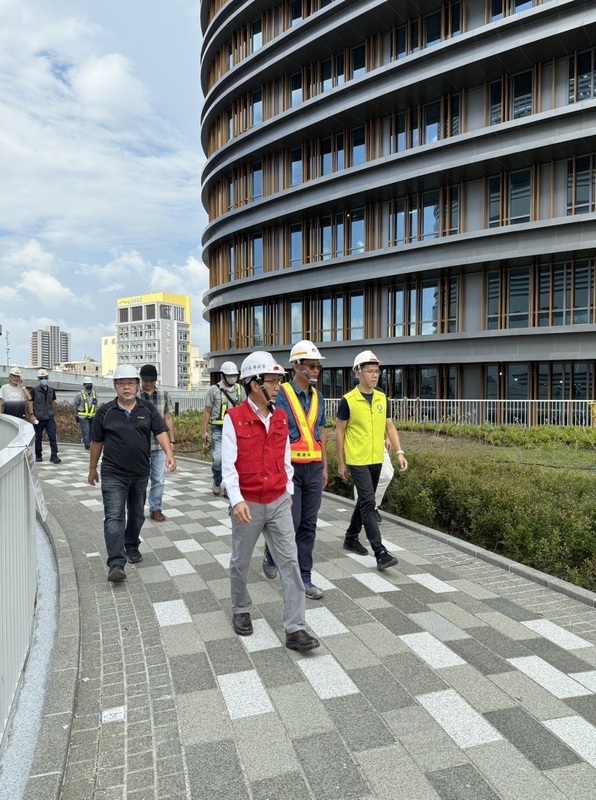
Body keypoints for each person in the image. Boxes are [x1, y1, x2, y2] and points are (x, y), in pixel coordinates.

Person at [222, 351, 320, 652]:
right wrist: (236, 500)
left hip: (278, 499)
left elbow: (286, 457)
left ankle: (295, 629)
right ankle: (240, 609)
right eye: (272, 381)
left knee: (289, 562)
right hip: (248, 503)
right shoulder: (234, 419)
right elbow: (228, 465)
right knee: (240, 561)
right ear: (254, 384)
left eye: (279, 380)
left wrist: (288, 490)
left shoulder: (279, 417)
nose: (278, 386)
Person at [88, 364, 176, 583]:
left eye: (130, 383)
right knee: (115, 516)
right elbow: (96, 442)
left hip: (139, 474)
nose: (126, 387)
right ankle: (116, 563)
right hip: (112, 474)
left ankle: (131, 545)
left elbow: (161, 431)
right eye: (121, 383)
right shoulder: (105, 412)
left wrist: (169, 453)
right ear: (115, 386)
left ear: (137, 385)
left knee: (136, 514)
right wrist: (92, 469)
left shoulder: (146, 410)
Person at [262, 340, 328, 600]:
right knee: (293, 521)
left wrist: (325, 466)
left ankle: (305, 577)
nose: (315, 370)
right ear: (296, 366)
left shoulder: (318, 397)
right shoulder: (282, 394)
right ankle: (271, 550)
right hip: (289, 469)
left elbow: (321, 432)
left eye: (318, 366)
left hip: (313, 468)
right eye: (311, 365)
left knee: (309, 525)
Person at [336, 350, 408, 570]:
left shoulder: (381, 398)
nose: (374, 375)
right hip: (357, 459)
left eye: (377, 371)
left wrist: (399, 452)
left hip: (377, 457)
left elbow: (389, 426)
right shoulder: (348, 400)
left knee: (364, 501)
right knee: (368, 502)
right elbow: (339, 432)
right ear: (358, 373)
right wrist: (340, 462)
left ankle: (350, 538)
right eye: (369, 371)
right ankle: (380, 553)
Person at [139, 363, 175, 522]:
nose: (148, 383)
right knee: (139, 478)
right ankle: (137, 508)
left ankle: (156, 508)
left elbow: (168, 418)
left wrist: (171, 442)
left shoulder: (164, 394)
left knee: (158, 479)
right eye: (145, 380)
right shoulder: (135, 395)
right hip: (139, 445)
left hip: (159, 444)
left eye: (151, 380)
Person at [202, 361, 243, 496]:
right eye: (229, 375)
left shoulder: (240, 389)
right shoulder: (213, 390)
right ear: (223, 376)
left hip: (235, 430)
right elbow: (207, 411)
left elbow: (244, 409)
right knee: (218, 459)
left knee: (232, 460)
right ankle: (217, 481)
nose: (232, 378)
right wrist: (204, 431)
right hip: (218, 429)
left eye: (234, 375)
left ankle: (228, 486)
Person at [354, 441, 394, 524]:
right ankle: (364, 511)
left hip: (378, 442)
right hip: (361, 443)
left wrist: (387, 437)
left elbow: (389, 427)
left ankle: (372, 505)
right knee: (362, 477)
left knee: (387, 474)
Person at [29, 369, 61, 463]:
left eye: (45, 378)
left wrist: (54, 413)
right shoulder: (34, 390)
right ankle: (38, 455)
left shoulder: (52, 390)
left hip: (49, 418)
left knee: (52, 436)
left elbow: (53, 403)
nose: (44, 379)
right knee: (38, 437)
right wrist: (31, 415)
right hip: (38, 417)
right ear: (38, 379)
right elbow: (30, 403)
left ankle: (54, 456)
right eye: (42, 378)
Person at [74, 377, 97, 451]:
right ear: (83, 385)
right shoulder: (79, 395)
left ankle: (88, 443)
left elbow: (95, 405)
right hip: (83, 417)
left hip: (92, 416)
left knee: (92, 432)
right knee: (86, 431)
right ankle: (88, 447)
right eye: (87, 384)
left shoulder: (95, 394)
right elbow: (76, 405)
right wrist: (77, 415)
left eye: (90, 384)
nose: (89, 385)